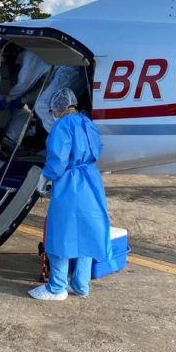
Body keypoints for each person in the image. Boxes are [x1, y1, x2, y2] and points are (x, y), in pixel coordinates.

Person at [29, 88, 112, 301]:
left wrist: (45, 176)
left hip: (70, 183)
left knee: (60, 235)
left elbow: (58, 159)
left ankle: (56, 288)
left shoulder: (62, 126)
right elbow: (97, 149)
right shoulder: (88, 123)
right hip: (91, 182)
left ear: (58, 107)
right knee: (85, 235)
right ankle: (81, 285)